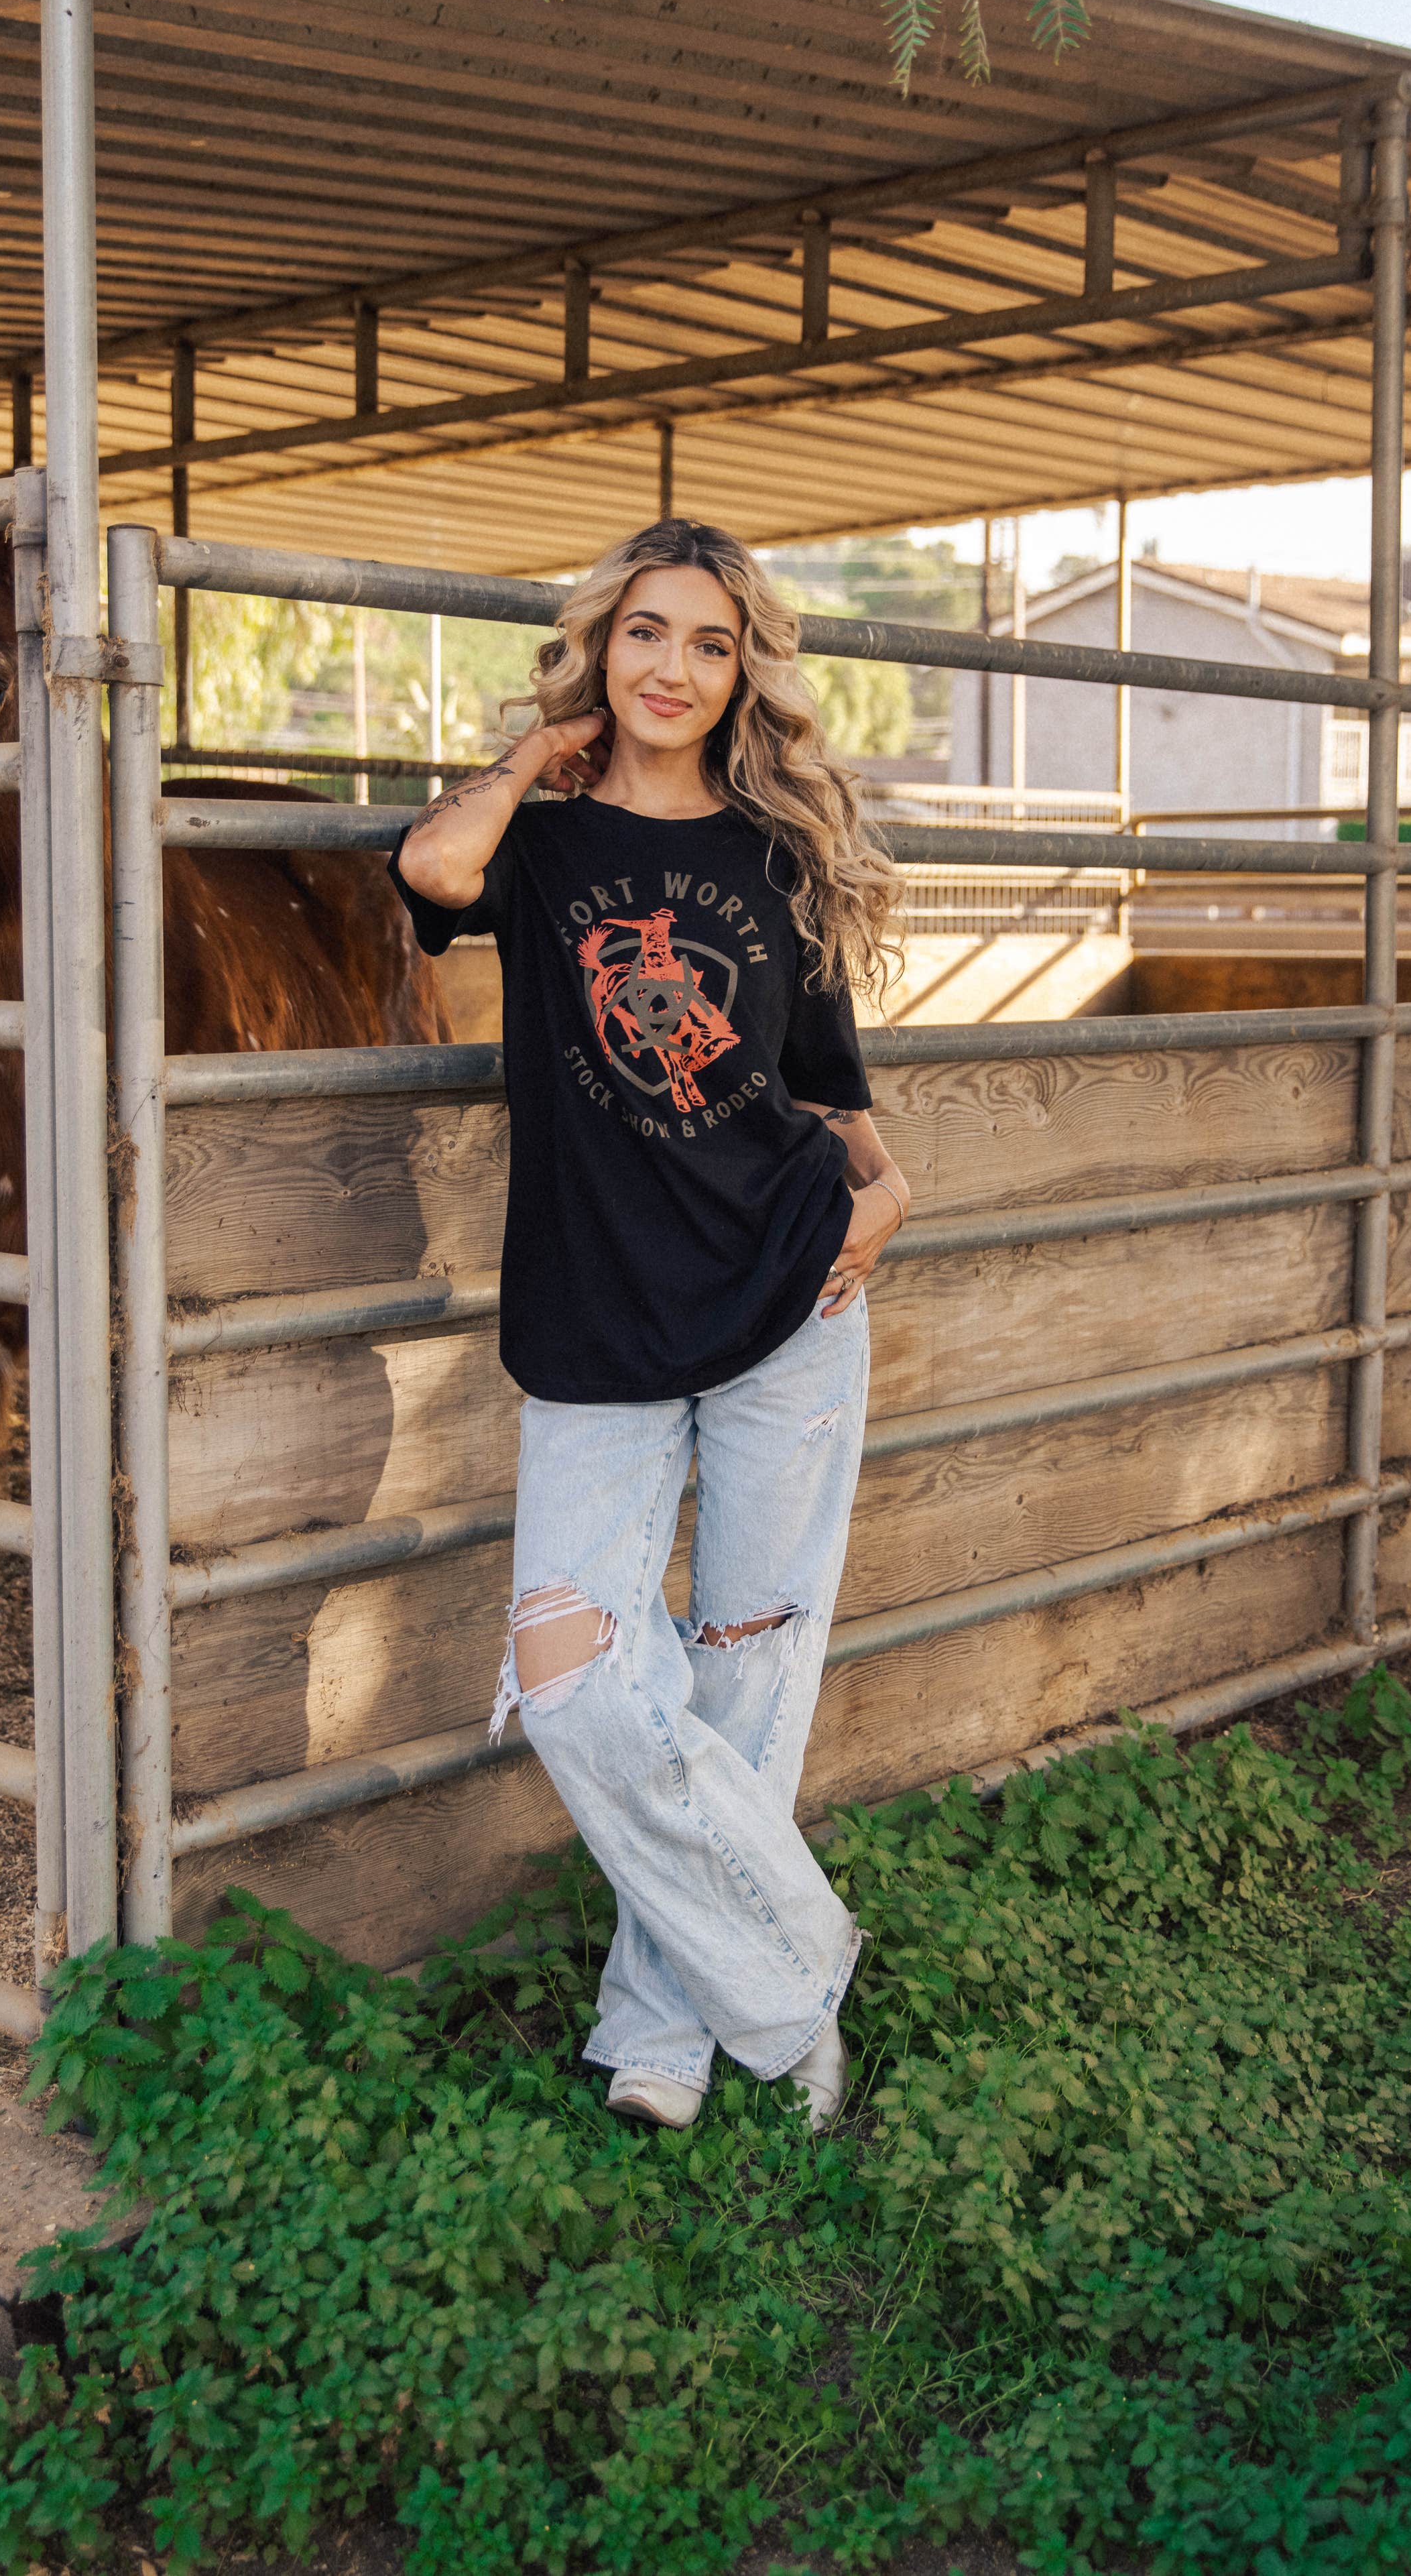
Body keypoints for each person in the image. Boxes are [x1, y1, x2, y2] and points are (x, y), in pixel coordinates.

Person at [390, 516, 911, 2131]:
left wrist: (889, 1186)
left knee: (749, 1675)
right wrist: (536, 752)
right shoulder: (541, 845)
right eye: (646, 632)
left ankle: (663, 2039)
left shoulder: (777, 855)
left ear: (745, 672)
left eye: (709, 642)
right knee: (575, 1677)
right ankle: (801, 1964)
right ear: (601, 646)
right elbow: (432, 872)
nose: (674, 667)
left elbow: (822, 1084)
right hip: (594, 1311)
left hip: (792, 1289)